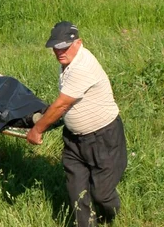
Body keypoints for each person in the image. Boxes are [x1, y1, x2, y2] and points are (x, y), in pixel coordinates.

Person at [27, 21, 127, 227]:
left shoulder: (82, 66)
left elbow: (62, 104)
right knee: (77, 194)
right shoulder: (67, 62)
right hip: (74, 140)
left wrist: (37, 129)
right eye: (56, 47)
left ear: (78, 42)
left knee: (102, 195)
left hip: (103, 138)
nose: (59, 52)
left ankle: (110, 217)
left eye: (64, 46)